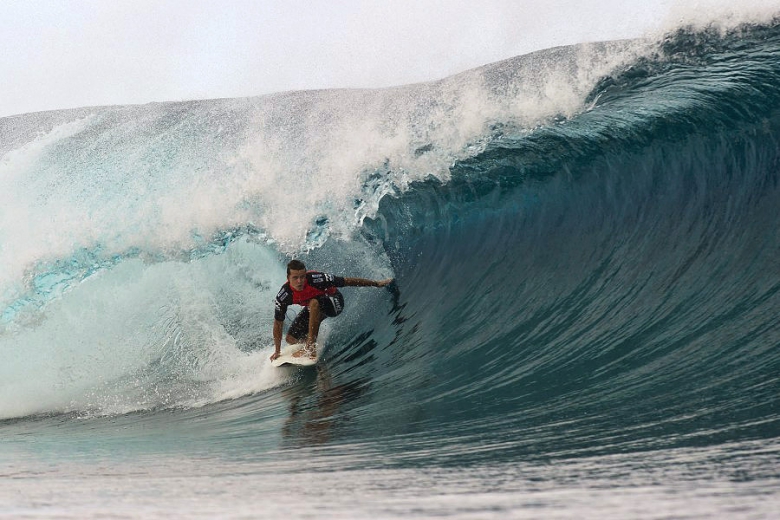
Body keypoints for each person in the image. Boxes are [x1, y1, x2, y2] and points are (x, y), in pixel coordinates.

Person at [270, 259, 393, 361]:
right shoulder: (284, 295)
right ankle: (310, 344)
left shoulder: (316, 279)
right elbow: (278, 323)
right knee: (291, 339)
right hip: (315, 308)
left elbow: (347, 281)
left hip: (334, 303)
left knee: (313, 303)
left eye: (302, 277)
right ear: (288, 277)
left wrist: (376, 283)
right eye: (295, 278)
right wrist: (277, 351)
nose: (300, 281)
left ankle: (310, 346)